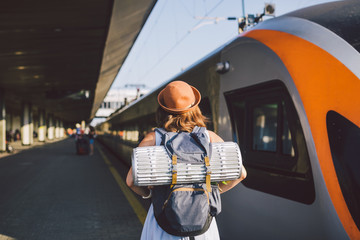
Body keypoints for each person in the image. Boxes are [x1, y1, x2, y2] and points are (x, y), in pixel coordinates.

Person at [126, 81, 247, 240]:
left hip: (163, 222)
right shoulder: (209, 137)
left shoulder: (153, 138)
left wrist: (150, 194)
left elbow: (130, 181)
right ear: (194, 108)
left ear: (162, 110)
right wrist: (213, 192)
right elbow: (241, 174)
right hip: (203, 225)